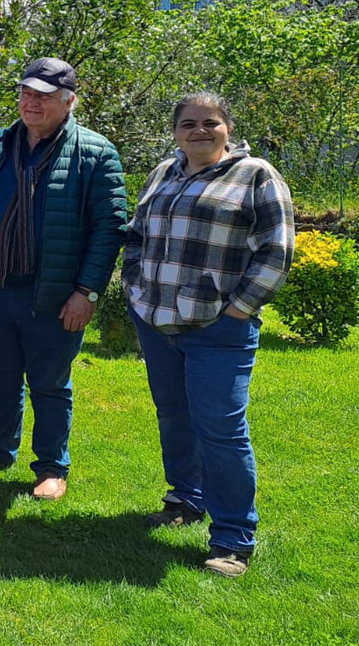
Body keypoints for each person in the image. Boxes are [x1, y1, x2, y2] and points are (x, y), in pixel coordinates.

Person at [123, 92, 294, 578]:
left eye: (210, 122)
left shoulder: (255, 175)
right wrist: (134, 289)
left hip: (218, 329)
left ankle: (233, 539)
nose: (199, 131)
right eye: (188, 123)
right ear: (176, 132)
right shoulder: (163, 173)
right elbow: (136, 236)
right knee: (174, 415)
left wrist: (239, 309)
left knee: (221, 429)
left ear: (228, 128)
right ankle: (185, 499)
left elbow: (277, 250)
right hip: (157, 323)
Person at [0, 57, 127, 501]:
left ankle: (51, 466)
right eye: (26, 93)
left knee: (49, 382)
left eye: (43, 96)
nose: (31, 103)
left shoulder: (95, 152)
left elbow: (109, 229)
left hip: (52, 295)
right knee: (0, 375)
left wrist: (87, 292)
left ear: (69, 102)